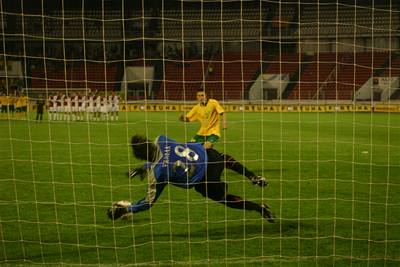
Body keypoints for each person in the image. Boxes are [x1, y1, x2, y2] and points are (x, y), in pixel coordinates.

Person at [107, 135, 274, 222]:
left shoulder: (157, 175)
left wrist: (127, 209)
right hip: (206, 155)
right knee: (224, 158)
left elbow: (148, 202)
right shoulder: (161, 139)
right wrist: (143, 168)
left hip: (204, 180)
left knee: (224, 198)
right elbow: (167, 157)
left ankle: (258, 207)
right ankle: (253, 176)